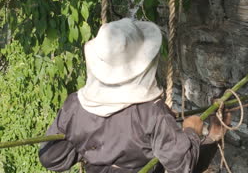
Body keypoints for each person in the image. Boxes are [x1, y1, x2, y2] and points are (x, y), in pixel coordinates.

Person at [39, 18, 228, 173]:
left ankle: (213, 136)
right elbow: (182, 165)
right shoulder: (152, 113)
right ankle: (214, 136)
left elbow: (51, 158)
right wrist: (191, 131)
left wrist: (88, 142)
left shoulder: (75, 106)